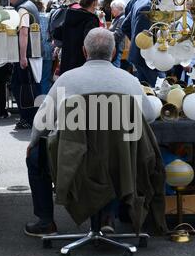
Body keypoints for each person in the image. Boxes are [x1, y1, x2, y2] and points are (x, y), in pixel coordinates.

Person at [24, 28, 157, 236]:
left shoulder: (67, 80)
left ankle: (46, 221)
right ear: (113, 53)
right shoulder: (128, 81)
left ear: (84, 52)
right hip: (118, 162)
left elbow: (42, 121)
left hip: (73, 161)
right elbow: (148, 116)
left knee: (34, 156)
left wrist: (32, 143)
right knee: (114, 155)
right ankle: (108, 216)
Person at [121, 0, 170, 87]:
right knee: (157, 96)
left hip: (142, 60)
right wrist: (139, 43)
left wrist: (136, 41)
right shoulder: (148, 6)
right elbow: (143, 41)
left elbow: (125, 26)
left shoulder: (141, 0)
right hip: (147, 63)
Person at [9, 0, 42, 129]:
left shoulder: (23, 9)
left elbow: (23, 32)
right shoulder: (31, 5)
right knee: (27, 86)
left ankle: (28, 118)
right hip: (33, 52)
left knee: (23, 87)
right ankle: (30, 117)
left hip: (27, 54)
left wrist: (22, 57)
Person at [56, 0, 100, 74]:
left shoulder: (69, 14)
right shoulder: (91, 19)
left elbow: (57, 35)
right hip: (83, 65)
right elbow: (90, 43)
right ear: (94, 2)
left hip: (67, 62)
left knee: (66, 87)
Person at [30, 0, 54, 95]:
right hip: (48, 51)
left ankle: (35, 104)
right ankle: (44, 104)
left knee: (35, 80)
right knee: (45, 79)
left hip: (34, 52)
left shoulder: (31, 18)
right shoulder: (48, 17)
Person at [109, 0, 126, 68]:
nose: (111, 11)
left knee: (115, 67)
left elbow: (118, 34)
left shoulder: (122, 18)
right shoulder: (116, 18)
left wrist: (105, 34)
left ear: (118, 9)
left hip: (117, 48)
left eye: (112, 9)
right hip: (113, 48)